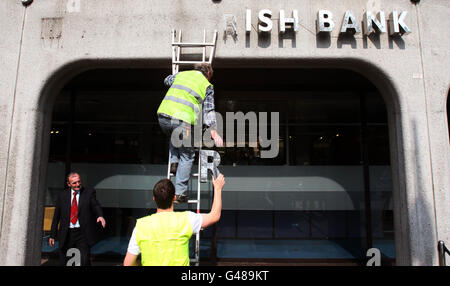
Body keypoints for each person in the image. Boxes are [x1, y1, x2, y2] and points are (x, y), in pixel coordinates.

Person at [123, 174, 225, 266]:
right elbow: (214, 216)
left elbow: (128, 263)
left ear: (154, 199)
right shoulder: (186, 219)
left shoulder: (141, 226)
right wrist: (218, 188)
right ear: (174, 198)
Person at [157, 63, 223, 204]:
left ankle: (174, 162)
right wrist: (213, 131)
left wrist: (176, 76)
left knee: (173, 135)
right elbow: (208, 111)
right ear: (208, 74)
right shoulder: (207, 86)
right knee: (188, 155)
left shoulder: (182, 74)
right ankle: (180, 193)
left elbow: (166, 80)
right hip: (182, 121)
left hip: (163, 116)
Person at [49, 172, 106, 266]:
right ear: (69, 184)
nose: (78, 184)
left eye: (79, 182)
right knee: (64, 261)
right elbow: (56, 216)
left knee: (84, 261)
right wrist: (52, 235)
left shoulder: (88, 193)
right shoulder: (62, 195)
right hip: (67, 233)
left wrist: (100, 215)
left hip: (82, 233)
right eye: (74, 183)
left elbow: (95, 205)